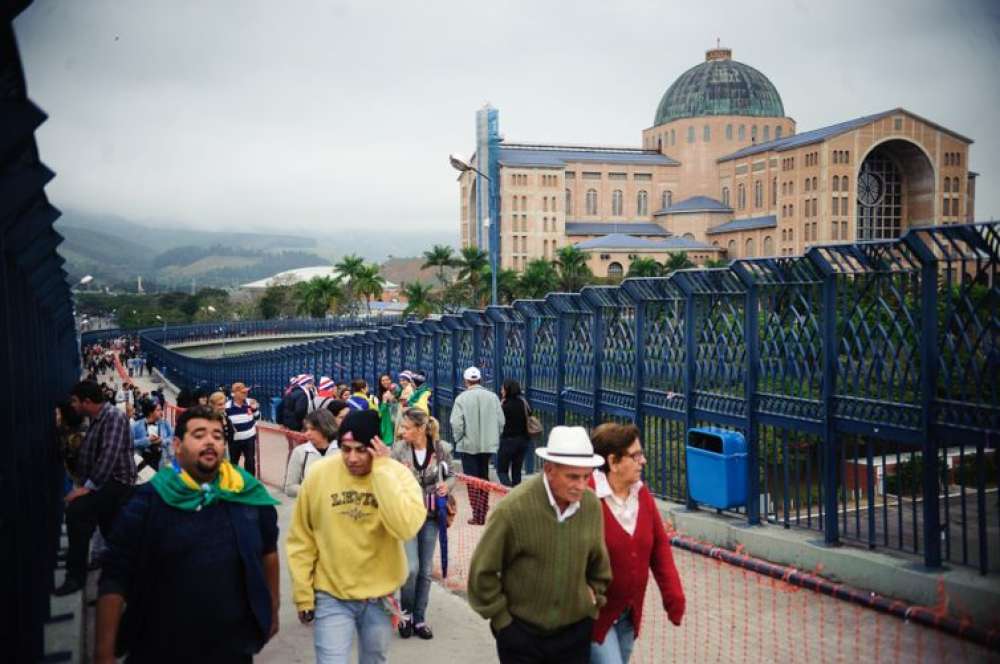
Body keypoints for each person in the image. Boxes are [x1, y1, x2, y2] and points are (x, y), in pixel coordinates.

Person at [94, 406, 281, 664]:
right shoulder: (148, 501)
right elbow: (115, 573)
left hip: (232, 647)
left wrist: (273, 606)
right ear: (178, 445)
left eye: (217, 436)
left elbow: (269, 551)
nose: (210, 442)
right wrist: (104, 652)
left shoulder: (247, 493)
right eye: (199, 434)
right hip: (159, 646)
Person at [286, 410, 426, 664]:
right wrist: (303, 594)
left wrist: (382, 471)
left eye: (361, 450)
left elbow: (405, 528)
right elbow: (301, 539)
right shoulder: (319, 475)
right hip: (331, 595)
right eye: (345, 449)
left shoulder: (396, 475)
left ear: (376, 445)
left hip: (380, 597)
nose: (352, 458)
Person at [467, 426, 611, 664]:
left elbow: (599, 564)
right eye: (573, 477)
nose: (581, 485)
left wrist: (593, 604)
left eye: (587, 477)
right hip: (522, 636)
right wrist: (503, 621)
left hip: (574, 636)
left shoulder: (591, 507)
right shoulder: (514, 509)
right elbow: (483, 571)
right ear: (549, 470)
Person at [588, 423, 685, 664]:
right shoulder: (588, 497)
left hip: (629, 613)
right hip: (594, 615)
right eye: (636, 455)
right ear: (613, 462)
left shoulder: (642, 495)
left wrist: (673, 595)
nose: (643, 461)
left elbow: (660, 550)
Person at [56, 381, 137, 596]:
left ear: (87, 401)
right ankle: (123, 578)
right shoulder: (97, 419)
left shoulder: (113, 417)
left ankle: (76, 576)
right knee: (112, 530)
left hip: (116, 483)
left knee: (77, 512)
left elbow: (108, 455)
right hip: (106, 484)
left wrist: (87, 488)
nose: (72, 405)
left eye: (75, 401)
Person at [390, 409, 455, 640]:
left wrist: (447, 486)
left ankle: (419, 619)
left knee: (426, 570)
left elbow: (452, 475)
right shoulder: (398, 450)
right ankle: (405, 615)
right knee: (411, 569)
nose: (401, 431)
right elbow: (387, 477)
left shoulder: (441, 449)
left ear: (420, 429)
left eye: (406, 428)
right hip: (408, 515)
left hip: (431, 516)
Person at [449, 366, 504, 525]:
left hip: (467, 445)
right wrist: (493, 436)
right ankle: (482, 510)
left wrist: (458, 439)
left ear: (466, 381)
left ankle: (477, 512)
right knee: (484, 477)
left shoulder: (461, 398)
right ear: (480, 379)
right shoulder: (493, 397)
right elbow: (501, 421)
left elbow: (456, 423)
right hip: (487, 445)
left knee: (472, 480)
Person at [284, 409, 338, 497]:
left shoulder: (342, 451)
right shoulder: (300, 452)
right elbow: (289, 488)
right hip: (311, 508)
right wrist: (313, 491)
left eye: (313, 429)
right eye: (306, 429)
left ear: (325, 428)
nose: (307, 434)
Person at [498, 380, 531, 487]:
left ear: (507, 390)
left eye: (503, 389)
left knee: (502, 471)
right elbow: (530, 414)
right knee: (517, 471)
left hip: (508, 441)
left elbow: (497, 420)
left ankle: (508, 492)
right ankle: (516, 492)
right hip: (523, 441)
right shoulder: (523, 403)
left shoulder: (505, 405)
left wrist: (500, 403)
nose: (501, 391)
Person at [226, 382, 262, 476]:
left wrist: (255, 409)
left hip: (249, 438)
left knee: (250, 461)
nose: (246, 394)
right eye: (242, 392)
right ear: (234, 394)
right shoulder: (227, 407)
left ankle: (250, 482)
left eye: (246, 391)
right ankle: (232, 482)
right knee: (234, 462)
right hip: (235, 440)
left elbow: (257, 417)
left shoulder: (250, 402)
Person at [131, 400, 175, 473]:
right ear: (150, 412)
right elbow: (129, 442)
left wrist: (162, 441)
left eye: (161, 410)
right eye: (158, 410)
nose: (161, 412)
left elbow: (172, 438)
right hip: (141, 461)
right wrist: (146, 441)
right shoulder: (136, 425)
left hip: (160, 461)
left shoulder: (165, 424)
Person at [376, 374, 399, 444]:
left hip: (396, 418)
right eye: (383, 380)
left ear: (390, 380)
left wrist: (392, 398)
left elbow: (399, 401)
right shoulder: (381, 394)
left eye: (387, 380)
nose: (385, 382)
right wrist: (385, 401)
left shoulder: (395, 389)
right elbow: (381, 410)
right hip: (387, 420)